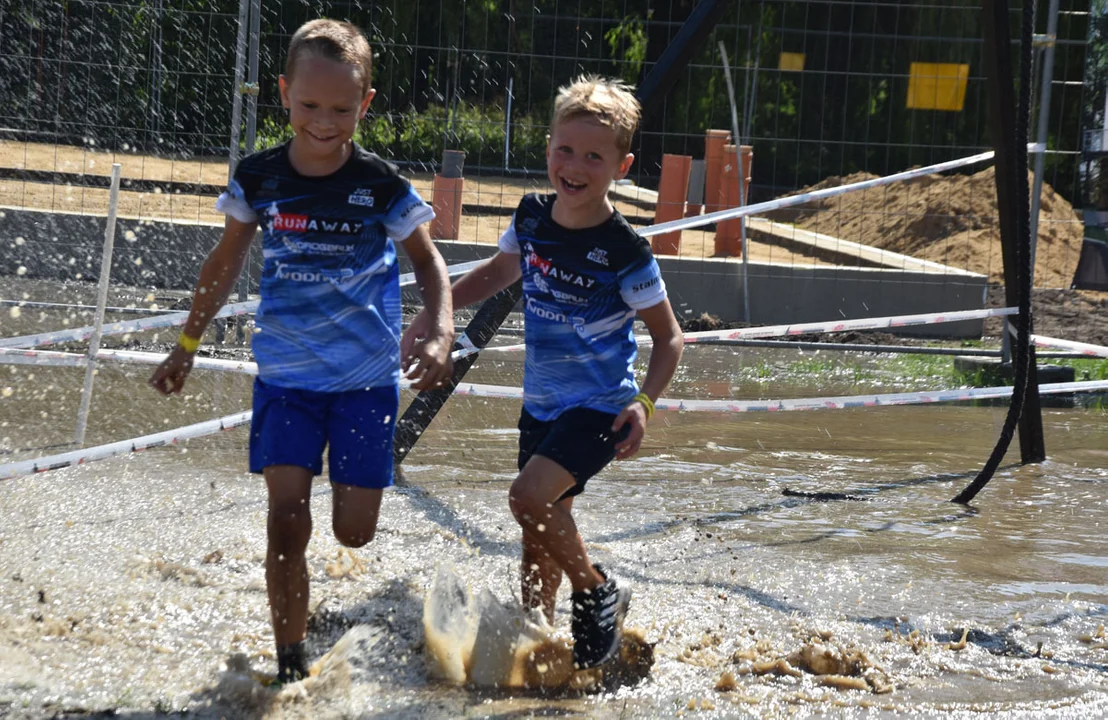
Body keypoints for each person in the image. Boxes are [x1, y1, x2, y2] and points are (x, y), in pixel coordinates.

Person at [149, 19, 454, 685]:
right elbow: (223, 264)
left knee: (353, 532)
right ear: (284, 94)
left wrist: (440, 327)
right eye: (310, 105)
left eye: (341, 109)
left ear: (365, 105)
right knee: (287, 521)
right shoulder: (258, 177)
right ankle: (291, 667)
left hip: (364, 384)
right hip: (286, 379)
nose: (324, 122)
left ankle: (334, 613)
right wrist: (186, 345)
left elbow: (431, 267)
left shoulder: (380, 185)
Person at [406, 75, 683, 669]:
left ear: (621, 166)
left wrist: (645, 403)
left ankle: (596, 590)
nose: (575, 166)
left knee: (526, 498)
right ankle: (546, 644)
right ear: (548, 146)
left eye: (593, 156)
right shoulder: (531, 217)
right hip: (541, 406)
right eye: (565, 149)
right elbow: (499, 272)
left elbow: (669, 338)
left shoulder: (625, 249)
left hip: (599, 408)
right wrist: (438, 311)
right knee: (538, 537)